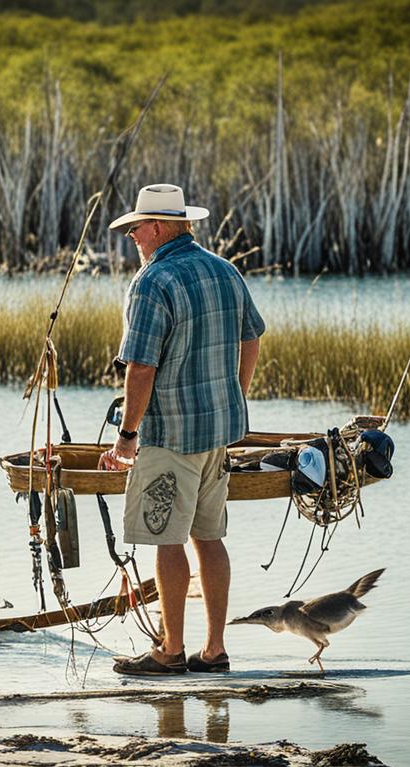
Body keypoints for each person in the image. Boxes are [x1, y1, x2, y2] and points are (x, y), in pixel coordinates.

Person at [99, 184, 265, 676]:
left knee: (166, 541)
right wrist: (234, 396)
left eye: (135, 228)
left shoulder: (153, 281)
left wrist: (127, 436)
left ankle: (171, 652)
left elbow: (141, 367)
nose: (131, 235)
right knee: (209, 538)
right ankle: (214, 651)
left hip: (169, 435)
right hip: (219, 433)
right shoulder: (224, 269)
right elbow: (252, 336)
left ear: (158, 227)